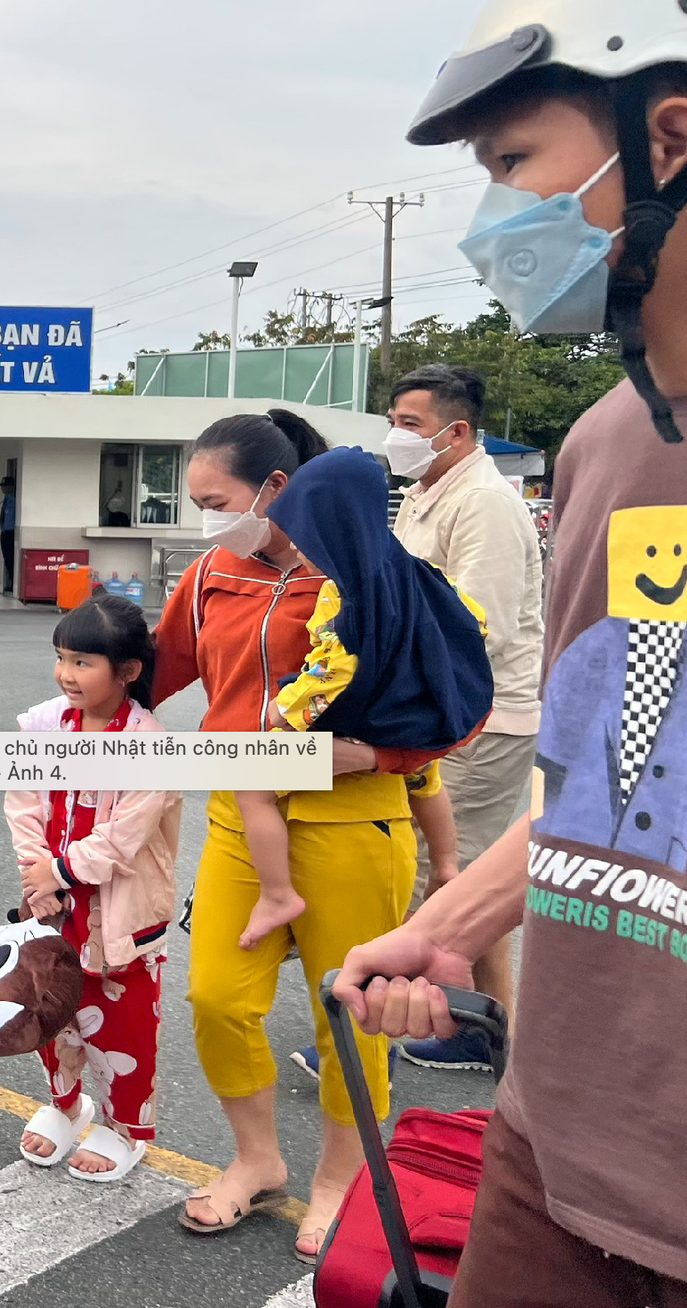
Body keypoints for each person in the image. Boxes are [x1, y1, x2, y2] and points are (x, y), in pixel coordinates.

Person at [336, 5, 687, 1303]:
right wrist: (446, 925)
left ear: (668, 137)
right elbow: (622, 770)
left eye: (510, 165)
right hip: (553, 1138)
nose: (490, 224)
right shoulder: (609, 442)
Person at [153, 409, 457, 1263]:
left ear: (275, 490)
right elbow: (154, 670)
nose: (206, 519)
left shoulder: (370, 576)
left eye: (216, 500)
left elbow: (448, 709)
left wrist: (376, 751)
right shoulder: (213, 572)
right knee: (215, 997)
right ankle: (257, 1160)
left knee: (348, 1019)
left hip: (351, 821)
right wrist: (81, 688)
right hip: (236, 818)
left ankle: (338, 1181)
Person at [232, 445, 493, 952]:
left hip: (359, 723)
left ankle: (277, 894)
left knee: (252, 784)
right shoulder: (418, 572)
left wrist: (283, 710)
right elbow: (471, 618)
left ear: (332, 530)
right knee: (425, 780)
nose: (300, 548)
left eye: (305, 536)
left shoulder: (343, 592)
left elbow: (335, 668)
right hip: (413, 716)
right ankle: (445, 862)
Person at [388, 363, 544, 1072]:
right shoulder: (423, 494)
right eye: (393, 422)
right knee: (470, 870)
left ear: (455, 432)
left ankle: (394, 1026)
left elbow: (478, 628)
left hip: (481, 717)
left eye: (410, 425)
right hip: (439, 712)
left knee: (432, 871)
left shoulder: (482, 501)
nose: (397, 437)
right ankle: (493, 1028)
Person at [6, 595, 181, 1182]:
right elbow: (25, 805)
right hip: (53, 901)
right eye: (61, 659)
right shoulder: (43, 725)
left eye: (83, 662)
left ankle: (123, 1126)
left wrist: (55, 873)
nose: (66, 674)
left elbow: (121, 839)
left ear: (127, 671)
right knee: (51, 1007)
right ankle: (64, 1103)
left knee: (123, 1020)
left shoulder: (150, 743)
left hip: (118, 910)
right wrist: (37, 873)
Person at [0, 473, 18, 593]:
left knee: (10, 559)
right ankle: (10, 582)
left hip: (11, 532)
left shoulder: (14, 501)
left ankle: (12, 584)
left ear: (10, 486)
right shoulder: (5, 500)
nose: (2, 488)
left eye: (4, 486)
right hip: (4, 531)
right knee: (6, 558)